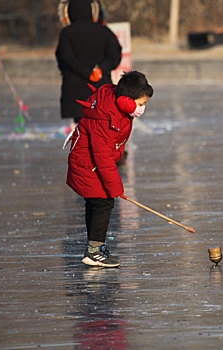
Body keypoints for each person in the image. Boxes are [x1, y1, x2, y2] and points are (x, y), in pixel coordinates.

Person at [65, 71, 153, 267]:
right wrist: (115, 187)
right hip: (89, 165)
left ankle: (95, 246)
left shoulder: (117, 109)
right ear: (127, 101)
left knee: (97, 202)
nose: (142, 109)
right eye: (140, 104)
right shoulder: (106, 117)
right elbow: (102, 155)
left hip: (93, 163)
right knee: (103, 202)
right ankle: (94, 251)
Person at [56, 0, 122, 125]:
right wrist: (100, 70)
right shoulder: (104, 31)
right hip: (101, 92)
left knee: (83, 132)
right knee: (101, 131)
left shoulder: (66, 33)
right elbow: (115, 56)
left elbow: (65, 59)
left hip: (76, 94)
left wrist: (87, 73)